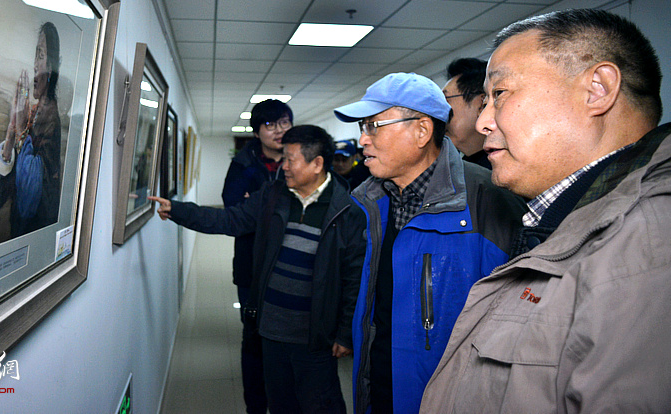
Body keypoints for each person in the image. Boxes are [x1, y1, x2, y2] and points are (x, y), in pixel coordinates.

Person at [420, 9, 671, 413]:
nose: (483, 122)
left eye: (499, 95)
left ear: (597, 89)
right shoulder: (570, 224)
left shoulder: (648, 249)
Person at [333, 73, 525, 414]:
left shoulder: (490, 201)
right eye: (363, 127)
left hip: (449, 398)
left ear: (422, 131)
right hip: (379, 386)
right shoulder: (368, 202)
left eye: (374, 125)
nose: (363, 140)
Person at [151, 125, 366, 413]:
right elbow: (230, 219)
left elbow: (354, 279)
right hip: (271, 329)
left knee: (321, 404)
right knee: (280, 403)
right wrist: (179, 210)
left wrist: (345, 333)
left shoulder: (347, 211)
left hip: (315, 335)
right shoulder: (273, 195)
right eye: (283, 158)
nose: (284, 166)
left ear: (317, 164)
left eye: (291, 160)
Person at [221, 98, 293, 413]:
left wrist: (259, 205)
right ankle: (256, 406)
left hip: (294, 266)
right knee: (254, 340)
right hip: (252, 266)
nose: (278, 130)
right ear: (257, 131)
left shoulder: (303, 158)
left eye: (283, 122)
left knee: (291, 339)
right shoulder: (243, 164)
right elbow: (235, 211)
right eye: (269, 125)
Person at [0, 22, 62, 237]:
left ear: (52, 66)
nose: (34, 65)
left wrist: (21, 129)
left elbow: (30, 199)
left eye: (41, 56)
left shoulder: (51, 120)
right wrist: (11, 133)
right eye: (35, 56)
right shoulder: (33, 112)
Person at [442, 57, 489, 168]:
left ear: (481, 104)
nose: (439, 111)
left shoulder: (510, 167)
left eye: (446, 100)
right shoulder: (459, 172)